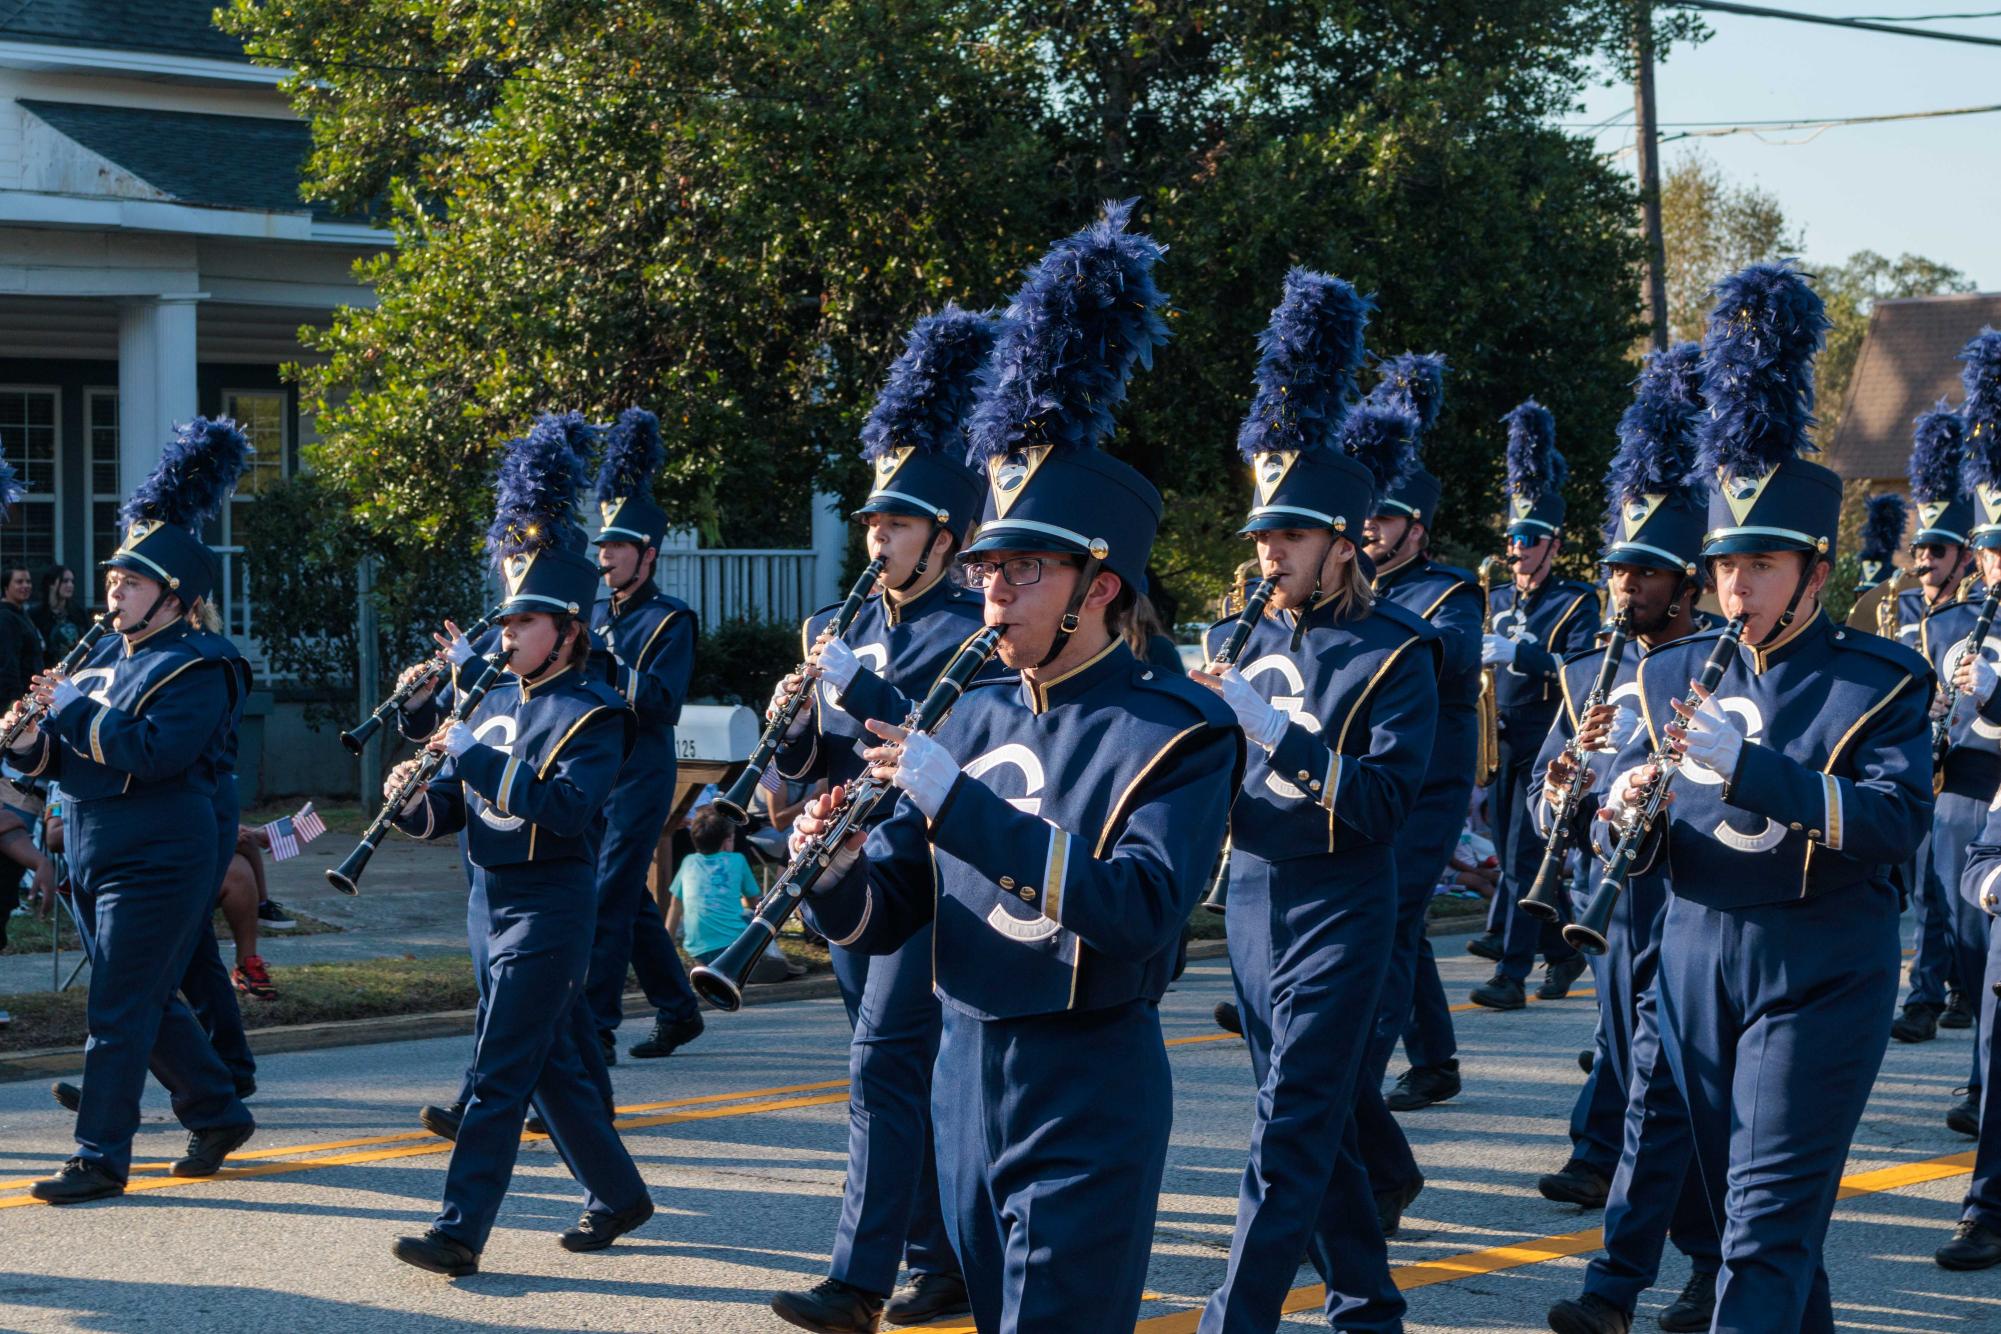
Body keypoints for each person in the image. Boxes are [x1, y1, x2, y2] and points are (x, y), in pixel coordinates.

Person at [795, 203, 1239, 1334]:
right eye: (986, 568)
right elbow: (894, 903)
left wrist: (964, 807)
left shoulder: (1179, 728)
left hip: (1086, 1079)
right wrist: (830, 866)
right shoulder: (977, 702)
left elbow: (1139, 910)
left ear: (1099, 584)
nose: (991, 594)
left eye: (1022, 572)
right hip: (962, 1073)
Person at [1548, 262, 1932, 1334]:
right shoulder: (1669, 672)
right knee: (1755, 1235)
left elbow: (1892, 825)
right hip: (1691, 968)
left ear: (1816, 570)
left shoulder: (1880, 679)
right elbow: (1617, 824)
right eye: (1723, 565)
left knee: (1763, 1232)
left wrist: (1755, 769)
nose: (1734, 589)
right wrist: (1617, 802)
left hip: (1819, 967)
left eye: (1762, 566)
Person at [1189, 271, 1436, 1334]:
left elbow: (1380, 805)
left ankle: (1230, 1317)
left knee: (1289, 1129)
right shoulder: (1244, 635)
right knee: (1313, 1124)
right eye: (1260, 537)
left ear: (1344, 539)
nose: (1267, 554)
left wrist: (1274, 733)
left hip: (1341, 905)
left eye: (1288, 537)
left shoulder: (1399, 654)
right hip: (1251, 899)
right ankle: (1368, 1305)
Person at [767, 305, 994, 1332]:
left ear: (945, 538)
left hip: (935, 868)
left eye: (897, 525)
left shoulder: (973, 631)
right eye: (871, 523)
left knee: (881, 1062)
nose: (877, 538)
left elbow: (955, 744)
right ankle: (937, 1256)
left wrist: (864, 696)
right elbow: (817, 757)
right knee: (893, 1061)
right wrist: (792, 726)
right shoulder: (843, 623)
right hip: (850, 861)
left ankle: (856, 1283)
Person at [387, 415, 651, 1277]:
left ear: (569, 628)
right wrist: (410, 802)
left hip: (549, 905)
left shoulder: (596, 713)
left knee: (499, 1069)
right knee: (551, 1066)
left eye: (524, 622)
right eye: (505, 623)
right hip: (486, 902)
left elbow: (566, 812)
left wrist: (476, 756)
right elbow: (458, 817)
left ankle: (459, 1231)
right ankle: (618, 1194)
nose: (505, 638)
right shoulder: (496, 698)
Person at [7, 418, 257, 1204]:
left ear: (174, 598)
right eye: (114, 580)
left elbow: (153, 754)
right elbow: (67, 758)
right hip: (90, 837)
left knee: (115, 1000)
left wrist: (75, 710)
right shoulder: (110, 659)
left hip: (162, 846)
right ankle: (216, 1111)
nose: (114, 592)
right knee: (142, 992)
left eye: (132, 583)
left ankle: (98, 1156)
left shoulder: (202, 665)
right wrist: (24, 743)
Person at [1527, 341, 1719, 1333]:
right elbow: (1542, 804)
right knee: (1669, 1098)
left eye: (1643, 570)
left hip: (1694, 905)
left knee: (1661, 1095)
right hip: (1618, 908)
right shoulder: (1589, 668)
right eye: (1618, 566)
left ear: (1687, 579)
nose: (1622, 585)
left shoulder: (1719, 661)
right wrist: (1564, 778)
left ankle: (1614, 1291)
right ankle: (1716, 1260)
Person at [1346, 353, 1481, 1233]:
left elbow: (1451, 664)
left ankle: (1372, 1108)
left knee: (1390, 934)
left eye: (1389, 519)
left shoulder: (1446, 591)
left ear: (1419, 529)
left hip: (1424, 789)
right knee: (1386, 937)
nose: (1372, 531)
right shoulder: (1352, 594)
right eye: (1366, 516)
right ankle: (1418, 1066)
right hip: (1357, 790)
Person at [581, 407, 704, 1064]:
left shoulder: (668, 620)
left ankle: (593, 1028)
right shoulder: (593, 612)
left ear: (647, 556)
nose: (604, 558)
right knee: (626, 900)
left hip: (642, 768)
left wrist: (607, 665)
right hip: (595, 768)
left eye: (617, 549)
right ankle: (678, 1009)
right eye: (602, 547)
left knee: (608, 893)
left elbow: (660, 702)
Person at [1472, 401, 1599, 1009]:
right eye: (1512, 538)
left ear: (1552, 545)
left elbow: (1581, 670)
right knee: (1519, 856)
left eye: (1528, 539)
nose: (1516, 549)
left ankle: (1510, 973)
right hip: (1498, 740)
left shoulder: (1575, 604)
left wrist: (1521, 655)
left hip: (1546, 739)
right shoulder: (1492, 596)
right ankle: (1563, 949)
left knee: (1525, 855)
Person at [1896, 406, 1986, 1050]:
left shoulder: (1973, 614)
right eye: (1920, 548)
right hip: (1933, 768)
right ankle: (1929, 994)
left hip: (1983, 772)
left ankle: (1955, 993)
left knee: (1971, 905)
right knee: (1934, 893)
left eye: (1938, 549)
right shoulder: (1907, 612)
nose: (1925, 560)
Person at [667, 805, 788, 982]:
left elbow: (675, 906)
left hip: (696, 948)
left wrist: (667, 943)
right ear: (726, 842)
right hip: (731, 945)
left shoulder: (688, 862)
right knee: (750, 916)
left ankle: (704, 967)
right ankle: (765, 960)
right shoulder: (737, 860)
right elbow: (756, 904)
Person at [31, 565, 89, 667]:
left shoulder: (78, 613)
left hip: (77, 669)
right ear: (51, 584)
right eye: (65, 581)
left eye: (72, 581)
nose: (70, 585)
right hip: (48, 671)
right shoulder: (35, 615)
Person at [0, 563, 42, 702]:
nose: (26, 586)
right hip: (16, 699)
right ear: (6, 587)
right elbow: (8, 662)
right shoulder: (5, 617)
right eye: (19, 582)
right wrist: (13, 702)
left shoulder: (22, 614)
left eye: (28, 582)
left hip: (32, 694)